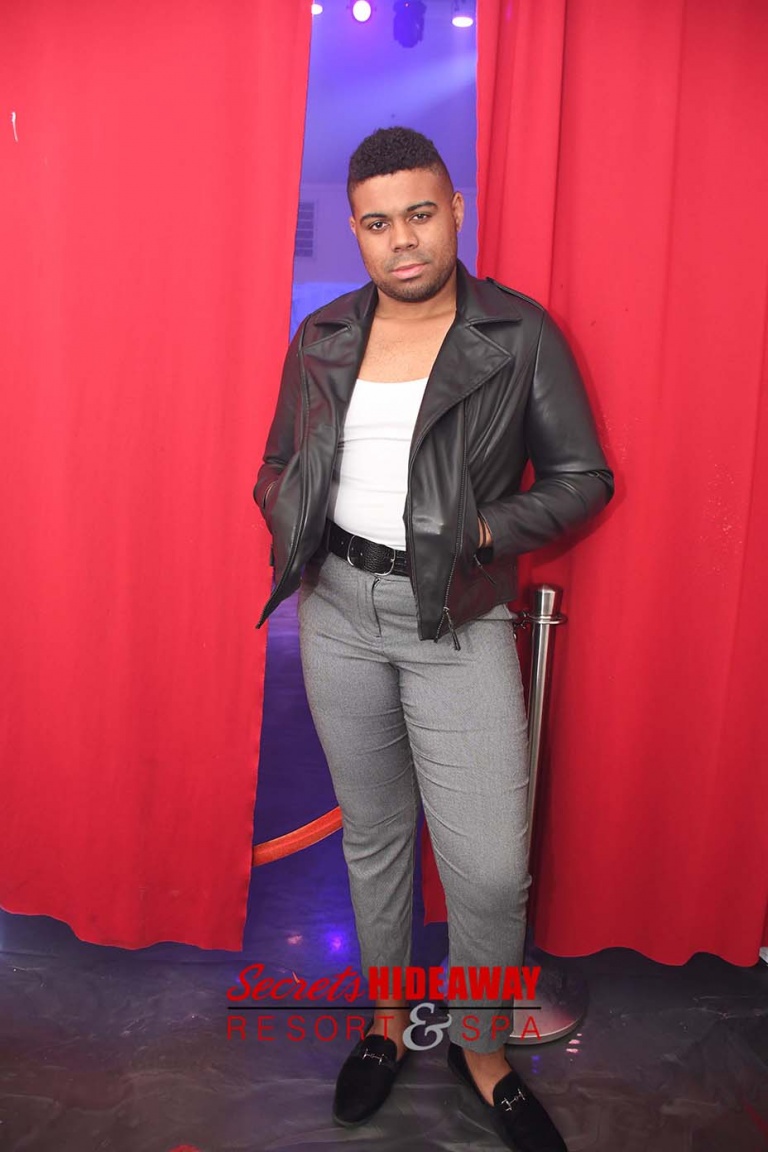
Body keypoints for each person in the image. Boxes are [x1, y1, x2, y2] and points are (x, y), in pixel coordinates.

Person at [254, 127, 613, 1152]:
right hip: (338, 612)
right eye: (378, 223)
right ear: (357, 232)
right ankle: (383, 1023)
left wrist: (482, 530)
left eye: (419, 214)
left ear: (455, 211)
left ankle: (481, 1050)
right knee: (374, 838)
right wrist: (291, 517)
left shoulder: (518, 332)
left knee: (490, 871)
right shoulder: (324, 332)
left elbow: (586, 479)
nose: (401, 240)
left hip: (456, 615)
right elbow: (276, 462)